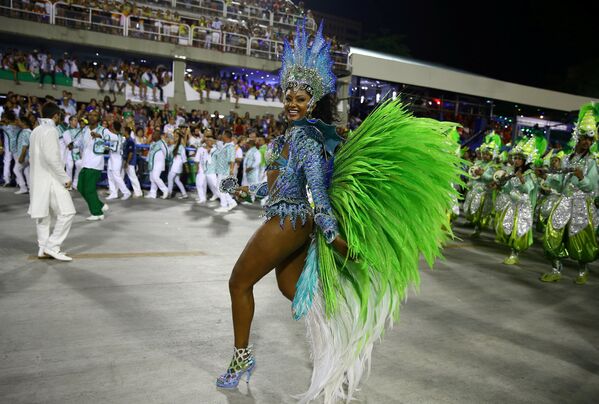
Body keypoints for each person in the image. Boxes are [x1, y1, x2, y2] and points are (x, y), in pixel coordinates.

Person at [215, 21, 463, 404]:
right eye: (289, 97)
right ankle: (338, 344)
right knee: (292, 289)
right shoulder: (285, 138)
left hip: (290, 222)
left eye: (300, 99)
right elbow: (274, 188)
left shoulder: (308, 140)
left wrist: (334, 237)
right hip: (284, 217)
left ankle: (241, 360)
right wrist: (239, 188)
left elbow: (317, 193)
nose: (293, 104)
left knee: (238, 283)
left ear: (312, 102)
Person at [540, 103, 599, 285]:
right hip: (564, 201)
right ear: (577, 138)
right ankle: (556, 269)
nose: (587, 142)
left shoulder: (592, 162)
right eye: (584, 138)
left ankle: (582, 272)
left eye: (590, 140)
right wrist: (547, 177)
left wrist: (582, 178)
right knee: (552, 235)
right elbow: (559, 182)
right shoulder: (566, 158)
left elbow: (592, 187)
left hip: (582, 204)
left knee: (580, 240)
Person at [27, 103, 75, 261]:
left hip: (37, 179)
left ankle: (42, 248)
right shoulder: (51, 130)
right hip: (51, 179)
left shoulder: (36, 131)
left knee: (43, 215)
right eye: (60, 115)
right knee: (67, 212)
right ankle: (52, 246)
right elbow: (52, 159)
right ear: (55, 115)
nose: (60, 117)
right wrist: (65, 178)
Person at [494, 139, 538, 265]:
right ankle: (513, 252)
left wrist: (522, 180)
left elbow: (528, 189)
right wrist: (500, 185)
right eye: (515, 158)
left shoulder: (530, 173)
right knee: (506, 227)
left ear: (526, 160)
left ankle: (515, 254)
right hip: (512, 204)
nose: (516, 160)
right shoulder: (512, 172)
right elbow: (508, 188)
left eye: (519, 158)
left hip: (523, 205)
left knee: (518, 230)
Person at [74, 110, 110, 221]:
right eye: (90, 115)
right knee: (80, 187)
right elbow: (79, 142)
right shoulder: (84, 130)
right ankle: (99, 205)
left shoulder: (103, 130)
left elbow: (114, 141)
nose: (91, 117)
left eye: (95, 115)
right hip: (85, 162)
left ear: (99, 118)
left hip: (95, 164)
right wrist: (72, 144)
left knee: (89, 190)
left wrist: (100, 136)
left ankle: (97, 213)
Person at [105, 121, 132, 201]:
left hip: (117, 158)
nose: (110, 127)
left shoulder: (120, 137)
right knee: (110, 175)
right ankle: (113, 193)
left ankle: (126, 192)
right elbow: (108, 147)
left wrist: (106, 144)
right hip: (111, 157)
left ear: (114, 127)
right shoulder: (114, 136)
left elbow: (111, 147)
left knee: (116, 176)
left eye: (112, 126)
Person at [146, 131, 169, 199]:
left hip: (159, 163)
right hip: (152, 163)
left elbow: (167, 152)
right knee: (152, 178)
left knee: (156, 177)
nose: (153, 136)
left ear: (159, 135)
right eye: (153, 134)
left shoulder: (162, 142)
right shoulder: (152, 144)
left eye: (155, 134)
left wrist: (163, 159)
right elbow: (150, 153)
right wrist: (147, 160)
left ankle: (165, 190)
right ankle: (153, 194)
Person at [166, 130, 189, 199]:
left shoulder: (181, 147)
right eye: (174, 136)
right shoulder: (172, 146)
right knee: (177, 180)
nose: (175, 137)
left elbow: (184, 158)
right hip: (174, 164)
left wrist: (186, 167)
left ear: (179, 138)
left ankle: (169, 193)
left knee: (170, 178)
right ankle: (184, 194)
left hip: (177, 164)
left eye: (176, 136)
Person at [13, 116, 33, 195]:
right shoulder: (30, 132)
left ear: (23, 123)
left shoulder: (24, 132)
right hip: (29, 156)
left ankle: (23, 187)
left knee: (16, 170)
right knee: (26, 171)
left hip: (24, 156)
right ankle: (30, 187)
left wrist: (21, 157)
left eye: (19, 121)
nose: (17, 122)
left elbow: (25, 146)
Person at [122, 126, 143, 198]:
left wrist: (127, 162)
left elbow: (130, 153)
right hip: (128, 161)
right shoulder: (127, 140)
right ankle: (137, 191)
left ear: (126, 132)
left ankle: (138, 192)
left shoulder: (130, 140)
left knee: (133, 177)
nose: (122, 131)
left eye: (123, 130)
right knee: (131, 177)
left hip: (130, 162)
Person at [194, 138, 210, 204]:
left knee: (199, 184)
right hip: (207, 169)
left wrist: (197, 168)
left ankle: (202, 198)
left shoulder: (200, 149)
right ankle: (203, 197)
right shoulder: (213, 149)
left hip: (202, 169)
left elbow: (197, 160)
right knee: (204, 184)